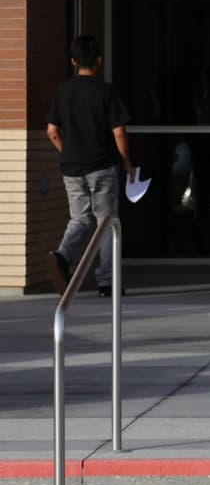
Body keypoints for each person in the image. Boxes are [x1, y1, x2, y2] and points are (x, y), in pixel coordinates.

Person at [46, 34, 135, 297]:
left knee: (80, 218)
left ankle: (63, 256)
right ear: (99, 60)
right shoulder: (105, 91)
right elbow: (119, 132)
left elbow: (52, 131)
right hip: (101, 167)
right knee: (106, 223)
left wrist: (69, 152)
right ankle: (108, 282)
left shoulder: (63, 91)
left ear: (73, 61)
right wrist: (128, 163)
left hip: (71, 168)